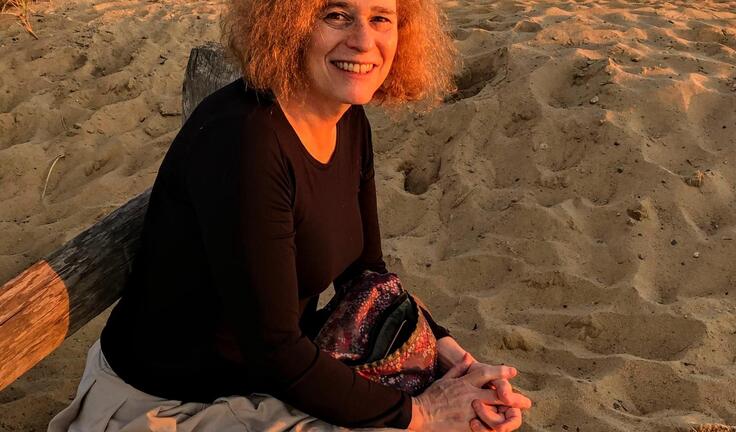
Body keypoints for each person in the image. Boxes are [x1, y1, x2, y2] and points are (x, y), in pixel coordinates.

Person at [48, 0, 532, 431]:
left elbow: (365, 276)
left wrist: (450, 358)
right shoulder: (246, 142)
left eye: (381, 18)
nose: (363, 41)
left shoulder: (347, 117)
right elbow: (277, 348)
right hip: (168, 406)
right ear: (289, 22)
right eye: (336, 15)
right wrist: (422, 413)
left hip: (264, 380)